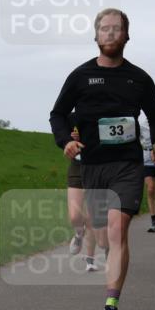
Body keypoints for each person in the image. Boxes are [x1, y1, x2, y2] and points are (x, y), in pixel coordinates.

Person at [50, 8, 155, 310]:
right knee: (101, 232)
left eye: (117, 28)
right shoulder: (80, 76)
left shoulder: (139, 78)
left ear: (127, 35)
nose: (111, 33)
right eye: (104, 28)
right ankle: (104, 266)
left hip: (127, 166)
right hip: (92, 167)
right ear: (96, 35)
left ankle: (111, 306)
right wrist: (65, 141)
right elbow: (57, 114)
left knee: (117, 231)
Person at [66, 113, 106, 271]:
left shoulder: (103, 115)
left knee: (90, 216)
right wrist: (70, 140)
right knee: (75, 216)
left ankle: (90, 259)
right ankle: (78, 234)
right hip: (77, 166)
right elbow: (62, 138)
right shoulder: (71, 118)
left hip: (97, 167)